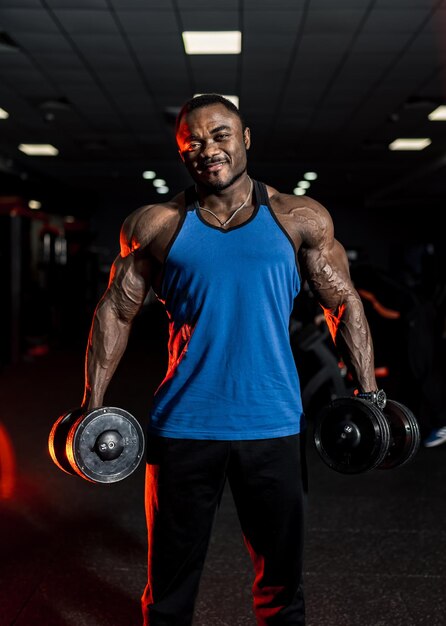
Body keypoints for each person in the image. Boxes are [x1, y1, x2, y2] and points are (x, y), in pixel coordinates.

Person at [81, 93, 381, 625]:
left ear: (245, 139)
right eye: (192, 142)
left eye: (220, 135)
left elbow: (344, 304)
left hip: (272, 425)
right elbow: (116, 313)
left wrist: (369, 393)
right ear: (182, 153)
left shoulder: (299, 218)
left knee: (282, 584)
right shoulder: (156, 225)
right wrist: (92, 405)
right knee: (169, 583)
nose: (207, 149)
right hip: (182, 428)